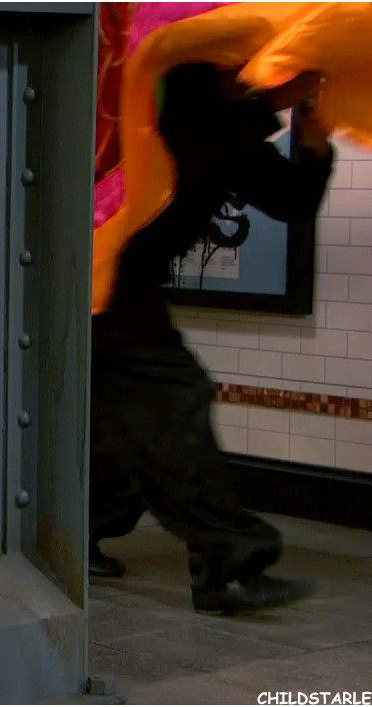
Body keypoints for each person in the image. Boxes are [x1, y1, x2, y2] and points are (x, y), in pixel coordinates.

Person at [89, 63, 334, 615]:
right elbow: (193, 145)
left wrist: (314, 147)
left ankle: (81, 526)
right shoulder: (175, 87)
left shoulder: (228, 123)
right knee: (175, 400)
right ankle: (229, 564)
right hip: (100, 274)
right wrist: (272, 103)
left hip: (124, 284)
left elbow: (288, 199)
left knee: (133, 426)